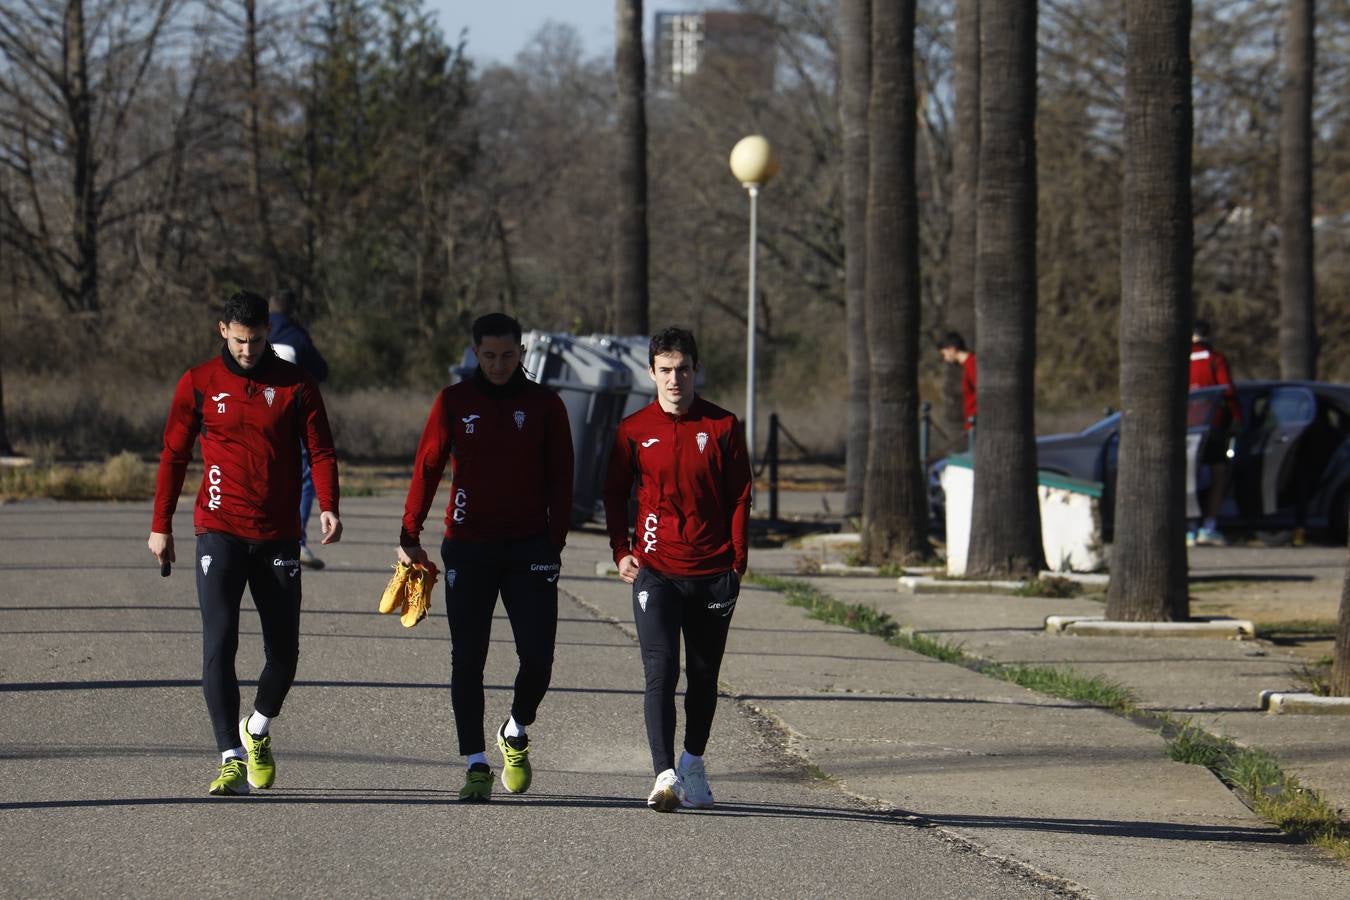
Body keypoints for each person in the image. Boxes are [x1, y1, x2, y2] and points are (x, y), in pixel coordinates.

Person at [148, 290, 342, 796]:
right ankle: (229, 756)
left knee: (285, 654)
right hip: (219, 529)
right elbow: (173, 455)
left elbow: (320, 449)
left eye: (257, 341)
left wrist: (328, 504)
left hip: (277, 534)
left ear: (267, 335)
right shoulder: (198, 383)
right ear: (222, 331)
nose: (248, 351)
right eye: (239, 341)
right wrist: (160, 524)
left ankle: (256, 728)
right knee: (220, 642)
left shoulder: (295, 384)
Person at [397, 313, 573, 802]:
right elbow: (428, 466)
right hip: (469, 547)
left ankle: (515, 730)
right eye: (490, 355)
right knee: (467, 659)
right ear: (476, 353)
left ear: (522, 354)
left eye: (509, 355)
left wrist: (553, 542)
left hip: (530, 548)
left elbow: (562, 479)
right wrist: (410, 532)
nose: (499, 364)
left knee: (538, 658)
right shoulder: (454, 402)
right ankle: (475, 763)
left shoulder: (545, 405)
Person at [602, 327, 752, 812]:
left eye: (682, 369)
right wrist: (621, 549)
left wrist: (737, 562)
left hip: (713, 574)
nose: (674, 379)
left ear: (695, 371)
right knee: (660, 670)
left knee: (704, 677)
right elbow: (613, 492)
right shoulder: (632, 429)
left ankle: (692, 762)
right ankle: (664, 774)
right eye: (665, 370)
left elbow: (740, 496)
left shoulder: (724, 426)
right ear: (651, 372)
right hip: (656, 570)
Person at [269, 289, 330, 569]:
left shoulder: (252, 334)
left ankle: (257, 537)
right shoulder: (297, 336)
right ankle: (297, 540)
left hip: (257, 420)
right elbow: (321, 370)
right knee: (305, 476)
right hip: (292, 417)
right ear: (292, 311)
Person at [1188, 319, 1241, 547]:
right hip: (1214, 425)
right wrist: (1238, 419)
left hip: (1187, 428)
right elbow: (1227, 391)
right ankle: (1208, 526)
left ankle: (1188, 528)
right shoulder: (1215, 359)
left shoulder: (1178, 359)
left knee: (1188, 476)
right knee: (1219, 474)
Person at [939, 331, 977, 433]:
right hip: (972, 423)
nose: (945, 359)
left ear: (951, 349)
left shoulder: (972, 363)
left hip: (976, 424)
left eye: (944, 354)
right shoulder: (969, 364)